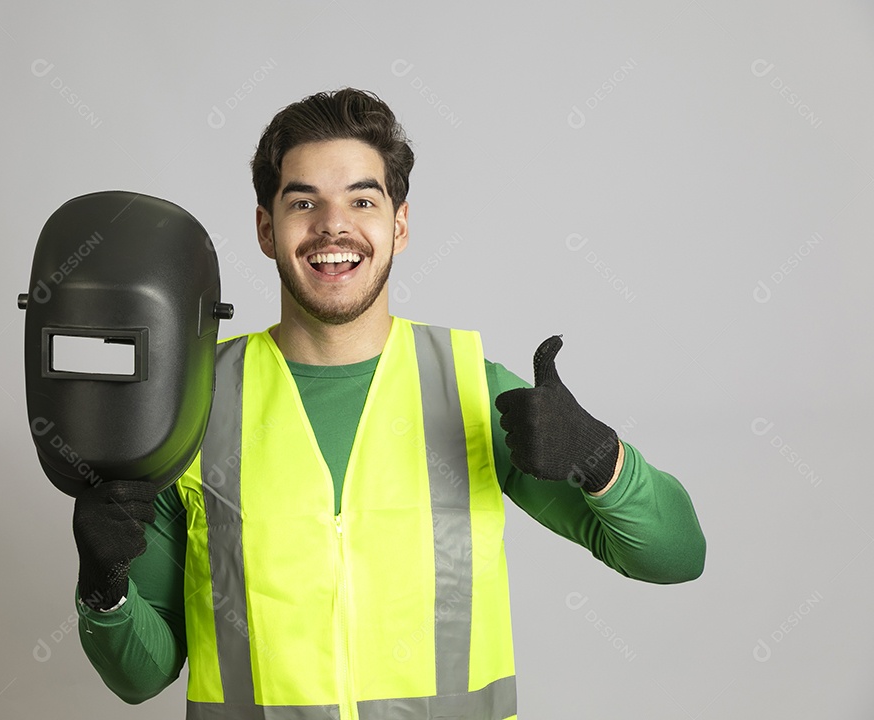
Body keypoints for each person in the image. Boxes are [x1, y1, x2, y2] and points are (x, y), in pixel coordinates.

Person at [70, 88, 706, 719]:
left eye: (362, 199)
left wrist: (603, 461)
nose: (333, 225)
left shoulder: (470, 388)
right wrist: (103, 590)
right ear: (267, 229)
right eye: (302, 201)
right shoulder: (191, 405)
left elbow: (677, 557)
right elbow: (141, 676)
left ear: (398, 224)